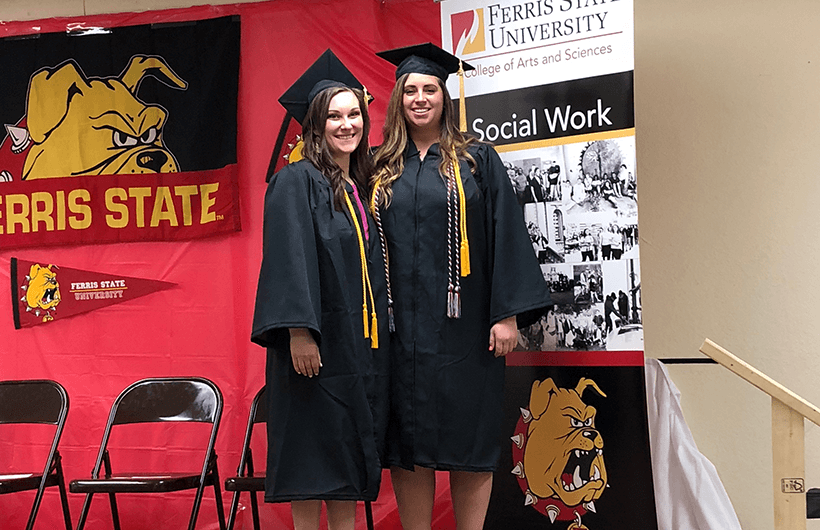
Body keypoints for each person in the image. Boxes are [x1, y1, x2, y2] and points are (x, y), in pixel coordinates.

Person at [370, 43, 551, 530]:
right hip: (399, 332)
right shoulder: (378, 166)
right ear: (398, 99)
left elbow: (506, 232)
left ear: (444, 97)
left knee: (469, 444)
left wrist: (507, 313)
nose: (420, 98)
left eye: (430, 88)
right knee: (410, 447)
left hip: (466, 329)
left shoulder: (476, 160)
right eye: (410, 90)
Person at [251, 50, 388, 530]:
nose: (346, 125)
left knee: (344, 460)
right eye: (334, 116)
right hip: (312, 348)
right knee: (311, 465)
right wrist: (298, 333)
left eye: (354, 115)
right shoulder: (295, 181)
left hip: (350, 350)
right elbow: (288, 259)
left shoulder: (356, 186)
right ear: (315, 124)